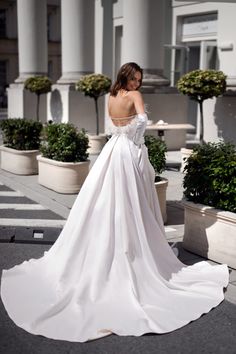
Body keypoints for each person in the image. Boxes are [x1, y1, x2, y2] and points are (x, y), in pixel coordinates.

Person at [1, 62, 229, 343]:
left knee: (107, 202)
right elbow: (142, 123)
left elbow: (118, 124)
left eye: (140, 80)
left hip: (112, 151)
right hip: (129, 152)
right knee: (130, 203)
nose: (138, 84)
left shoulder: (111, 96)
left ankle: (111, 244)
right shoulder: (133, 97)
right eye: (135, 78)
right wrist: (144, 123)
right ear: (127, 77)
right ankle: (129, 250)